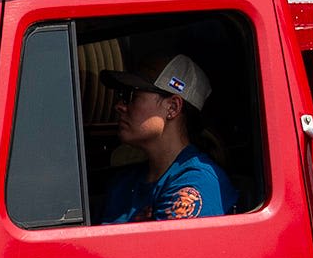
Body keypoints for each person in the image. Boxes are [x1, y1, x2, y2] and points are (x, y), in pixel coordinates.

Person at [97, 54, 234, 223]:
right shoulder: (124, 182)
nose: (119, 106)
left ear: (173, 107)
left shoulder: (196, 183)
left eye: (131, 96)